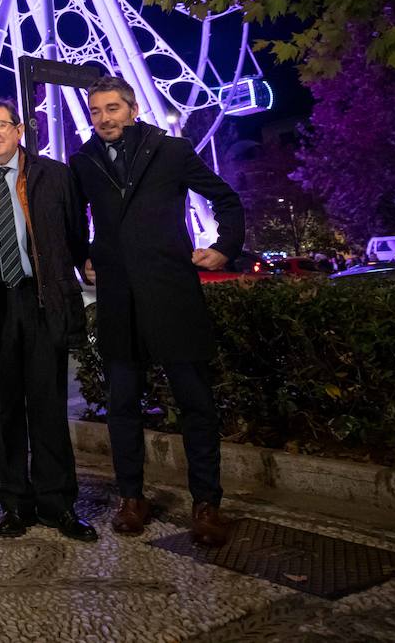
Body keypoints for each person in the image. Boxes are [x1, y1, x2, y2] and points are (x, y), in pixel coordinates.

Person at [69, 76, 244, 546]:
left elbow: (225, 198)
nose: (103, 118)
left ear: (132, 108)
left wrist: (224, 247)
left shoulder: (171, 151)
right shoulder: (83, 161)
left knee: (196, 404)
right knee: (121, 404)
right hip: (119, 299)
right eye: (96, 111)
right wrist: (84, 254)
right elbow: (70, 219)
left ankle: (206, 503)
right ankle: (132, 497)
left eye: (111, 109)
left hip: (171, 292)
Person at [0, 100, 96, 542]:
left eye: (1, 126)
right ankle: (15, 502)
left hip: (41, 301)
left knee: (49, 406)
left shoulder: (55, 176)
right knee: (3, 409)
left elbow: (74, 233)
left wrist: (84, 265)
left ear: (19, 130)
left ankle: (58, 504)